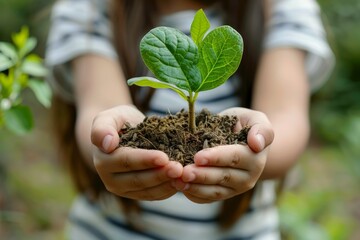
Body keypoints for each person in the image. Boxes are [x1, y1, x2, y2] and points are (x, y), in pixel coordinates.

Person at [45, 0, 334, 239]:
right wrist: (111, 137)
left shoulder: (283, 8)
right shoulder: (91, 9)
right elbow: (99, 107)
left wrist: (256, 143)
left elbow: (286, 116)